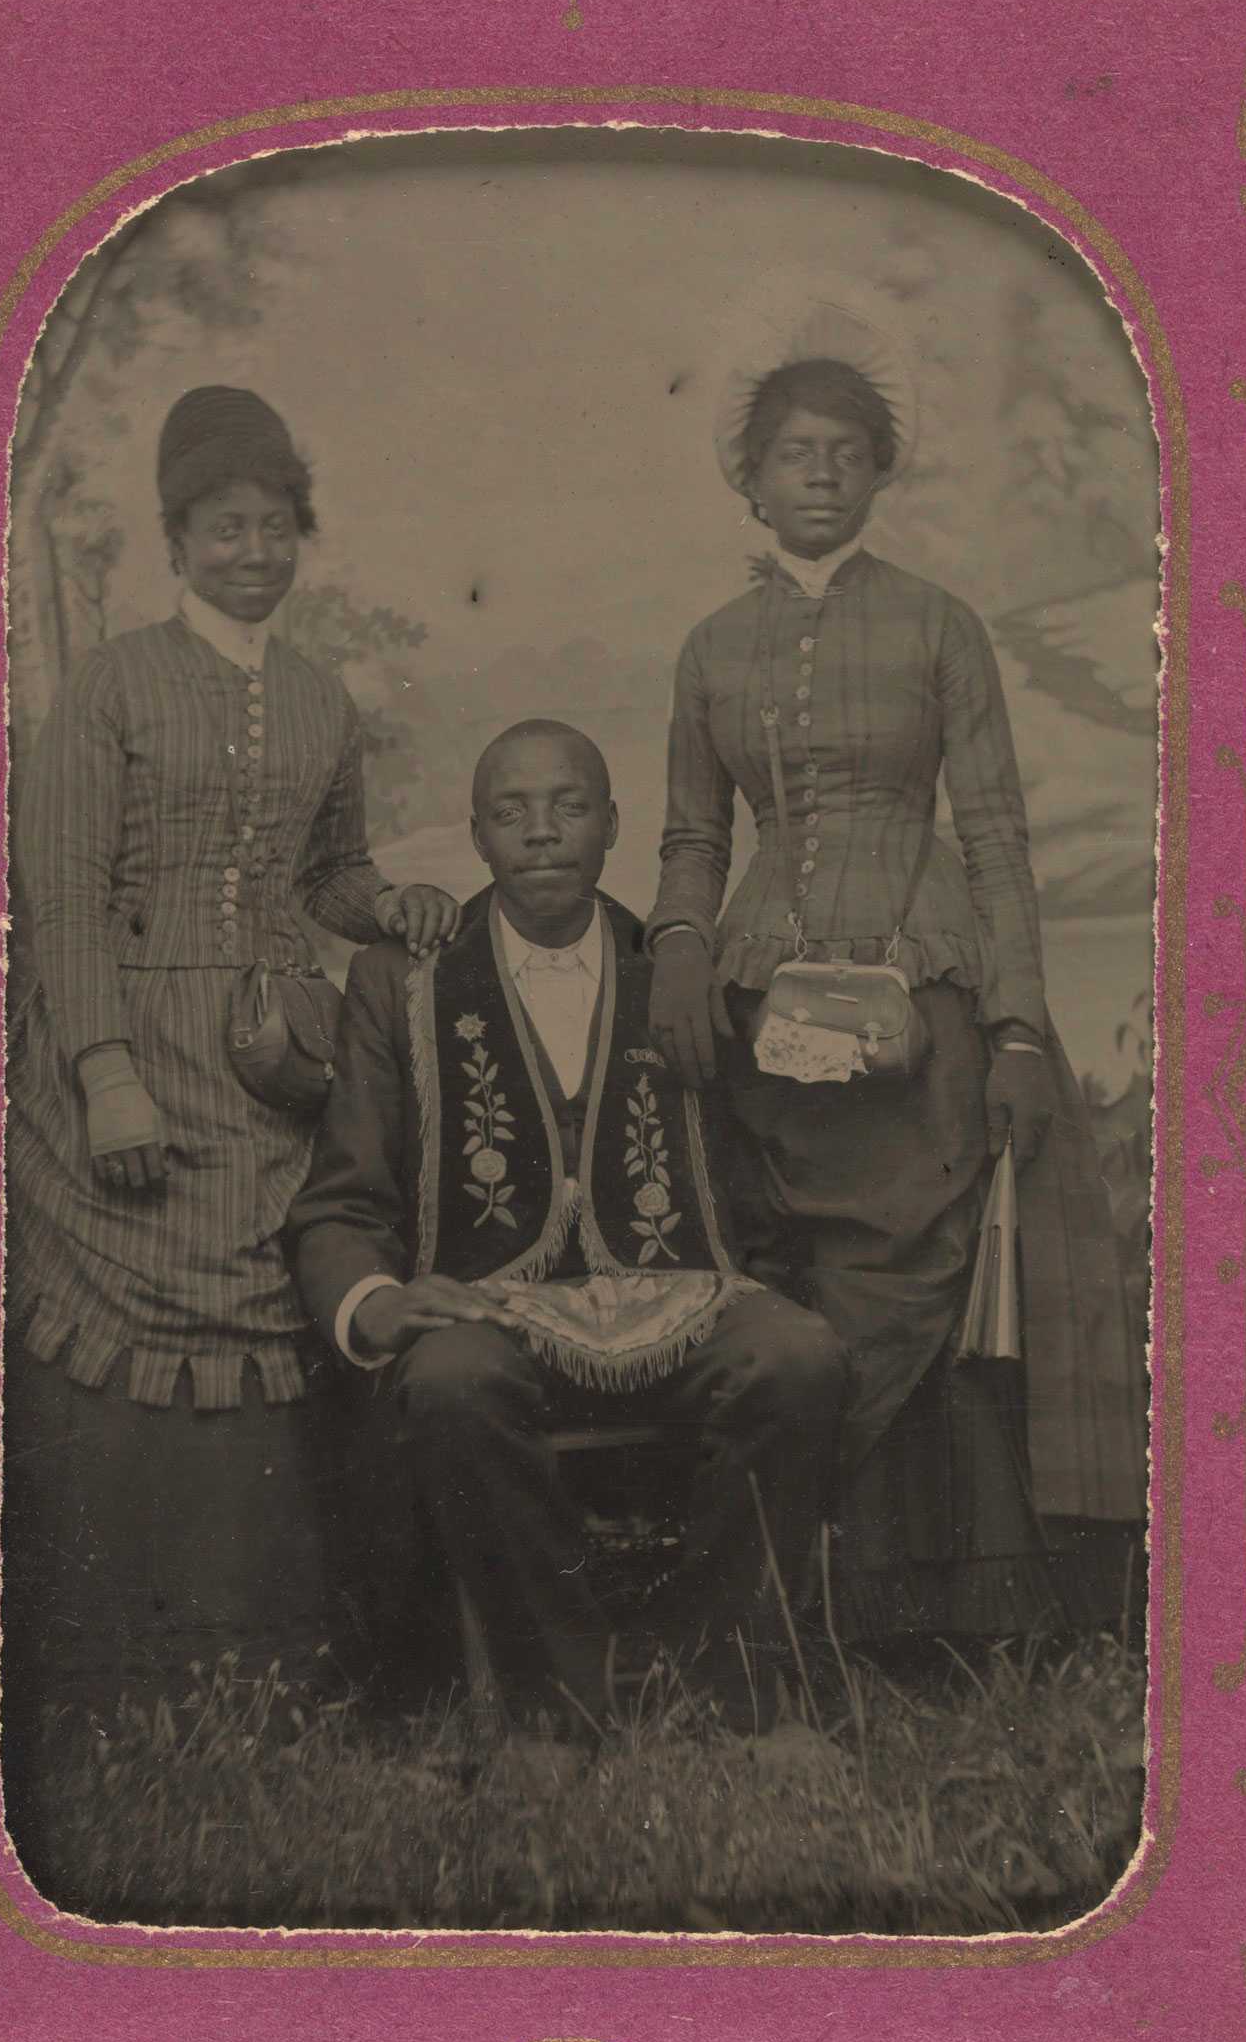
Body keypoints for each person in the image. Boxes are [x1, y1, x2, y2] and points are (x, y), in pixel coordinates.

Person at [645, 287, 1146, 1644]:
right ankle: (782, 1604)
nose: (816, 474)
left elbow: (992, 840)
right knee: (788, 1280)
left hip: (921, 997)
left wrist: (1021, 1026)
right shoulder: (708, 649)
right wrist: (680, 949)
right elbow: (693, 834)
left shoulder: (939, 626)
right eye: (790, 454)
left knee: (911, 1285)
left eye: (842, 453)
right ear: (747, 480)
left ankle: (898, 1608)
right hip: (763, 1011)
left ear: (877, 472)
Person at [1, 384, 458, 1861]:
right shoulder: (117, 686)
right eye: (222, 527)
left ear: (299, 537)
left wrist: (385, 906)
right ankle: (122, 1683)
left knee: (274, 1319)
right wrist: (104, 1070)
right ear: (175, 538)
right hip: (131, 1045)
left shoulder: (322, 697)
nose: (252, 551)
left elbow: (324, 877)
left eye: (275, 526)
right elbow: (60, 895)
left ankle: (267, 1676)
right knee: (146, 1343)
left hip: (270, 1067)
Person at [288, 719, 847, 1738]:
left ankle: (715, 1677)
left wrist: (754, 1275)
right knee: (448, 1379)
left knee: (797, 1355)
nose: (541, 833)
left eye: (568, 806)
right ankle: (558, 1698)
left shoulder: (676, 967)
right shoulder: (400, 980)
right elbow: (341, 1201)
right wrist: (375, 1300)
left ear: (610, 825)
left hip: (677, 1301)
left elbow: (748, 1175)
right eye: (512, 812)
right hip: (489, 1312)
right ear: (479, 835)